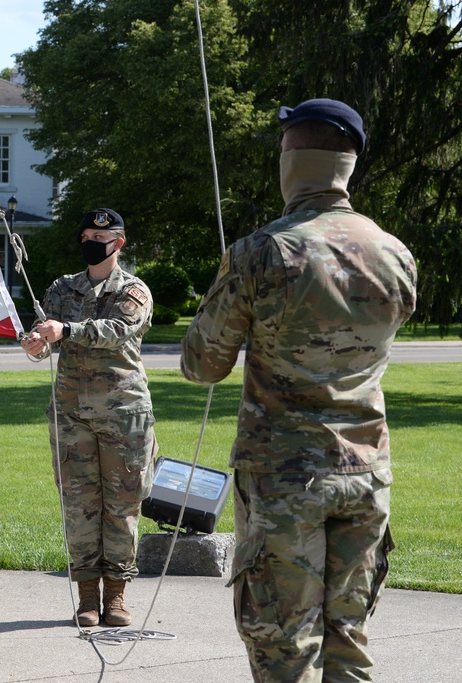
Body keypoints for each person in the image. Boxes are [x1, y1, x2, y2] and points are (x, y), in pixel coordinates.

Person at [180, 99, 417, 682]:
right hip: (366, 474)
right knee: (348, 641)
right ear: (348, 163)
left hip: (286, 478)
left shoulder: (262, 251)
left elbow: (203, 365)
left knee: (284, 649)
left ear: (291, 158)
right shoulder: (395, 254)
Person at [22, 208, 159, 628]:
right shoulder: (62, 288)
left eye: (102, 236)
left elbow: (117, 330)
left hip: (123, 415)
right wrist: (35, 344)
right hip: (71, 414)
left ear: (119, 243)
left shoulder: (134, 290)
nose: (92, 241)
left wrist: (65, 331)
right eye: (85, 234)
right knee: (79, 505)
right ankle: (85, 596)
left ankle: (116, 596)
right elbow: (43, 335)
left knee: (121, 504)